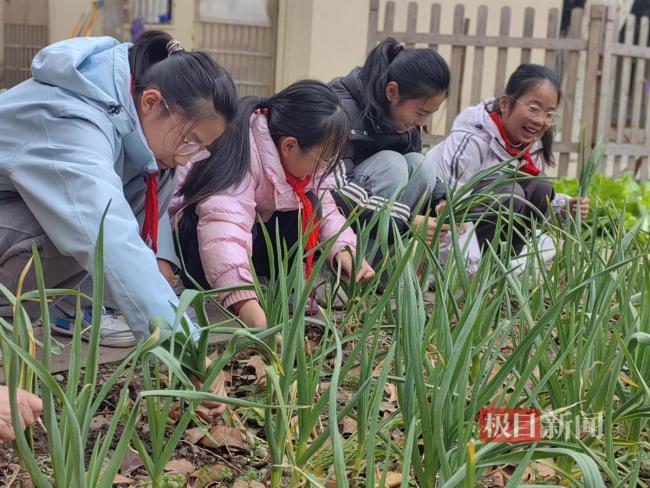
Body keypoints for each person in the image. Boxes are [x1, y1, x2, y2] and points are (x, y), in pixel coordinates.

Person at [0, 31, 237, 352]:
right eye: (189, 139)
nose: (187, 156)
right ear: (151, 102)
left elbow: (136, 235)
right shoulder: (69, 119)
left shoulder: (146, 141)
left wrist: (169, 314)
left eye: (201, 148)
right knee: (67, 230)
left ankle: (45, 318)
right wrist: (184, 347)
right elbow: (106, 231)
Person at [172, 80, 375, 329]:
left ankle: (280, 287)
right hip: (194, 243)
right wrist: (250, 311)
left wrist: (346, 252)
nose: (326, 166)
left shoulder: (300, 168)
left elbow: (327, 208)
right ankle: (214, 291)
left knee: (309, 205)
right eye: (323, 157)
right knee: (256, 221)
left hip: (245, 236)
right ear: (289, 146)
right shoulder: (241, 155)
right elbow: (223, 234)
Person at [425, 64, 590, 255]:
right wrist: (460, 272)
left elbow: (533, 199)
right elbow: (448, 207)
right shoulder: (471, 139)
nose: (540, 120)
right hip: (433, 223)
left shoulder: (528, 145)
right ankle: (470, 272)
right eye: (534, 108)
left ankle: (498, 269)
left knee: (540, 188)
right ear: (504, 103)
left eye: (549, 114)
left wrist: (563, 208)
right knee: (509, 194)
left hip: (478, 226)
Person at [329, 37, 451, 242]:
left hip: (383, 219)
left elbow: (425, 178)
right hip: (335, 226)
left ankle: (388, 270)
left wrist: (442, 201)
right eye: (421, 112)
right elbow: (335, 191)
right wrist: (407, 222)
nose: (422, 121)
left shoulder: (404, 120)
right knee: (391, 166)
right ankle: (354, 267)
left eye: (430, 113)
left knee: (420, 165)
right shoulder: (340, 110)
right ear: (392, 91)